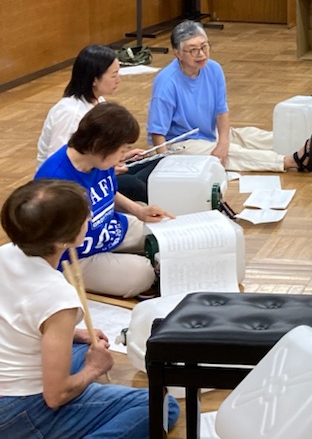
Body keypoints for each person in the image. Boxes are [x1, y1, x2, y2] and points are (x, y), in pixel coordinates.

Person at [0, 179, 180, 437]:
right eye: (85, 217)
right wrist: (94, 368)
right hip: (18, 409)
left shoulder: (5, 253)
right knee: (161, 406)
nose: (91, 218)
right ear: (64, 239)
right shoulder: (57, 295)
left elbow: (13, 318)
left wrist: (72, 334)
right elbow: (55, 396)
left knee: (83, 349)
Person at [35, 103, 171, 298]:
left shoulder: (98, 160)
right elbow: (48, 241)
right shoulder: (55, 180)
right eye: (121, 151)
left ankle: (121, 259)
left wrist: (138, 211)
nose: (122, 157)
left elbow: (110, 192)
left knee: (165, 234)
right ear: (100, 145)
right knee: (143, 274)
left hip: (108, 229)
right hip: (77, 256)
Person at [147, 20, 312, 173]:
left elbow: (221, 111)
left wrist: (223, 142)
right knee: (234, 153)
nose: (201, 54)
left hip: (209, 132)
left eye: (204, 46)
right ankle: (291, 161)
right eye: (193, 50)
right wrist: (168, 165)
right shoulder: (166, 82)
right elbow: (157, 133)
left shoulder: (214, 69)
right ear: (177, 53)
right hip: (181, 143)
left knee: (251, 136)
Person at [36, 44, 154, 202]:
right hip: (75, 185)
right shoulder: (70, 113)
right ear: (94, 79)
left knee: (154, 164)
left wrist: (122, 156)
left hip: (96, 167)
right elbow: (62, 164)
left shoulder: (98, 101)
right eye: (113, 76)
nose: (118, 80)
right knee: (136, 185)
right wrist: (109, 167)